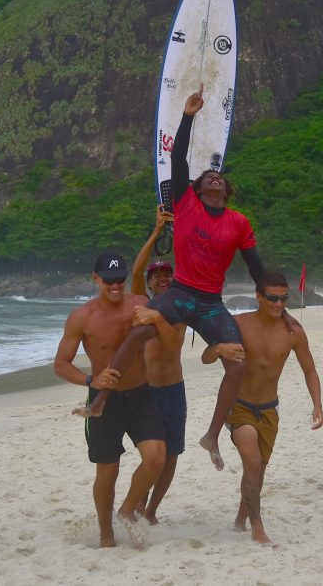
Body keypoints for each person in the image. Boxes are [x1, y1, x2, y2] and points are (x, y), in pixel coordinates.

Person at [76, 85, 271, 474]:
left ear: (227, 190)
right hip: (180, 293)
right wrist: (188, 115)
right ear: (196, 189)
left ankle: (213, 434)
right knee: (137, 329)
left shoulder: (239, 222)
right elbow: (176, 158)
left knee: (237, 361)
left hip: (211, 302)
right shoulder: (185, 205)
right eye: (208, 177)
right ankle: (100, 399)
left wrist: (272, 299)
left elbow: (256, 266)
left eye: (220, 177)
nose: (215, 178)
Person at [53, 252, 170, 548]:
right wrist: (91, 380)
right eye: (109, 280)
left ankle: (128, 509)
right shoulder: (82, 317)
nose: (116, 286)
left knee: (156, 457)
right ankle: (106, 534)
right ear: (96, 279)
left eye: (120, 280)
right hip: (104, 400)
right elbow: (61, 364)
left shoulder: (141, 305)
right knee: (108, 470)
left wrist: (157, 319)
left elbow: (169, 339)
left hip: (142, 394)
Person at [202, 270, 323, 545]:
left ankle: (240, 520)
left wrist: (317, 404)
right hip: (240, 407)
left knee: (258, 471)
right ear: (258, 297)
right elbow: (206, 357)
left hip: (270, 409)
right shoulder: (238, 324)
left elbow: (310, 370)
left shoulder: (293, 332)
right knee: (253, 463)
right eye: (272, 298)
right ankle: (258, 528)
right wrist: (220, 347)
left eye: (284, 299)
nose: (279, 305)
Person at [128, 206, 187, 524]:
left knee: (172, 455)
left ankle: (150, 510)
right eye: (158, 276)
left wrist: (179, 232)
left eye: (168, 274)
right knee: (154, 456)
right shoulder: (141, 303)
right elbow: (135, 273)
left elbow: (173, 344)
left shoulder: (179, 304)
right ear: (150, 283)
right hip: (146, 391)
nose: (163, 278)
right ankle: (137, 503)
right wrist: (156, 231)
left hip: (173, 389)